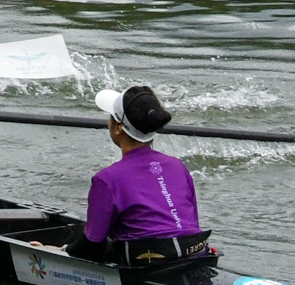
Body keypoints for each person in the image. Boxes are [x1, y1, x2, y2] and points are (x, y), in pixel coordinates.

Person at [69, 84, 210, 269]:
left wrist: (61, 250)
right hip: (196, 251)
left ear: (118, 127)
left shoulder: (106, 179)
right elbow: (187, 222)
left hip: (148, 265)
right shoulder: (178, 165)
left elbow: (91, 247)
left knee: (82, 232)